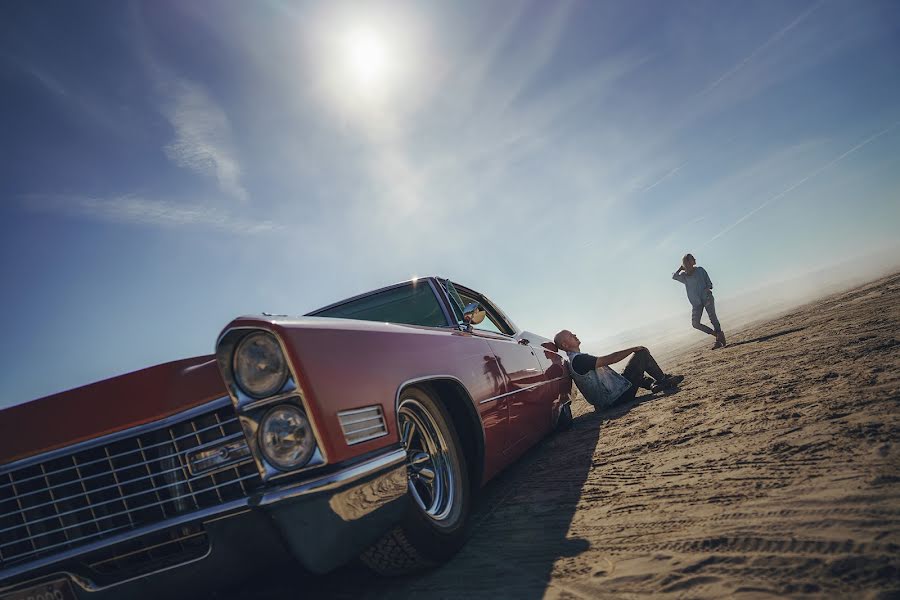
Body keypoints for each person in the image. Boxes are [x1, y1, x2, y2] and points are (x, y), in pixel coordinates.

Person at [553, 329, 684, 410]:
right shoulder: (579, 360)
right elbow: (612, 359)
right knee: (642, 353)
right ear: (565, 344)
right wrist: (633, 348)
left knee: (625, 376)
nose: (575, 334)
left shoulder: (574, 359)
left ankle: (653, 385)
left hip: (608, 400)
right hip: (615, 399)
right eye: (570, 335)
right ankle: (663, 380)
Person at [673, 253, 727, 349]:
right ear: (688, 262)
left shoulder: (700, 270)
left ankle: (718, 341)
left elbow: (709, 283)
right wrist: (680, 269)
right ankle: (717, 335)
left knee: (713, 318)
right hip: (696, 303)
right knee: (695, 324)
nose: (695, 259)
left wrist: (707, 288)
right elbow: (674, 277)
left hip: (706, 298)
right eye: (692, 258)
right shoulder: (684, 276)